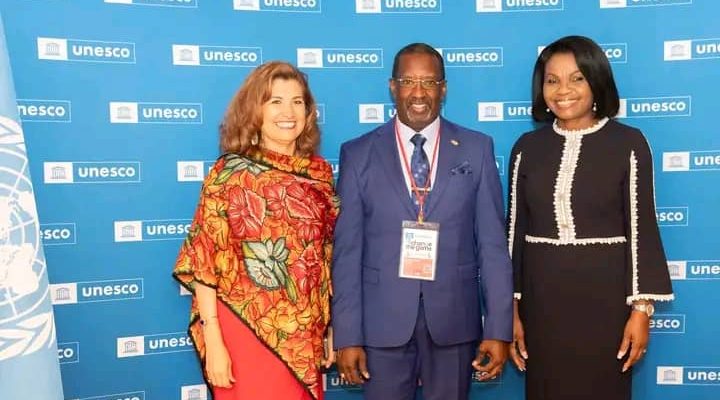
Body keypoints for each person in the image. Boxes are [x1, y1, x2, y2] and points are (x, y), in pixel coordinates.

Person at [331, 43, 513, 400]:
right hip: (381, 326)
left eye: (429, 82)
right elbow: (347, 252)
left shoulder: (476, 148)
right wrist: (347, 335)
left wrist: (498, 328)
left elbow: (492, 246)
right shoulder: (358, 153)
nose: (418, 93)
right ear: (392, 86)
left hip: (454, 322)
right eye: (408, 81)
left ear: (443, 89)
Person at [507, 35, 674, 400]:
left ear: (597, 81)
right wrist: (510, 310)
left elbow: (642, 229)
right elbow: (514, 234)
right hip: (542, 301)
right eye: (552, 80)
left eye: (577, 78)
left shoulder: (628, 143)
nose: (563, 90)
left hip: (606, 302)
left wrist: (641, 311)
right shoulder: (526, 149)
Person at [173, 61, 338, 400]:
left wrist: (332, 326)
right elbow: (204, 260)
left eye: (297, 101)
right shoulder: (230, 174)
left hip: (305, 333)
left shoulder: (319, 174)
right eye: (275, 101)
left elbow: (326, 259)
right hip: (246, 329)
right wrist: (213, 339)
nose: (288, 112)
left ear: (308, 111)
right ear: (255, 110)